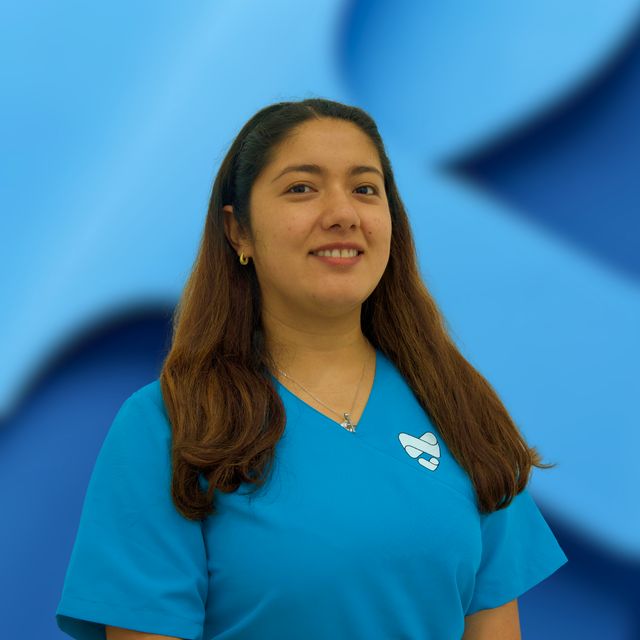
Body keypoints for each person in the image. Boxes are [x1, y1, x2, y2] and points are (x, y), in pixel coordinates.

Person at [55, 98, 568, 640]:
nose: (343, 213)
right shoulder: (168, 426)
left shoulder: (458, 406)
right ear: (238, 231)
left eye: (365, 189)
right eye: (302, 188)